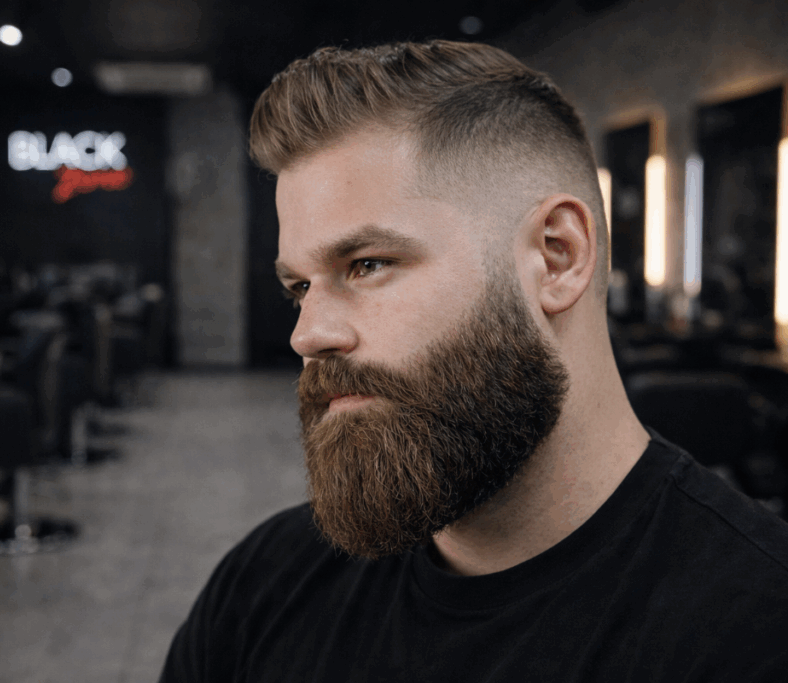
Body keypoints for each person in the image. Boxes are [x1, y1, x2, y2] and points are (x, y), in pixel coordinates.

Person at [159, 40, 788, 681]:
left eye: (368, 264)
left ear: (557, 256)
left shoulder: (756, 631)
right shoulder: (263, 589)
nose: (307, 334)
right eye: (300, 287)